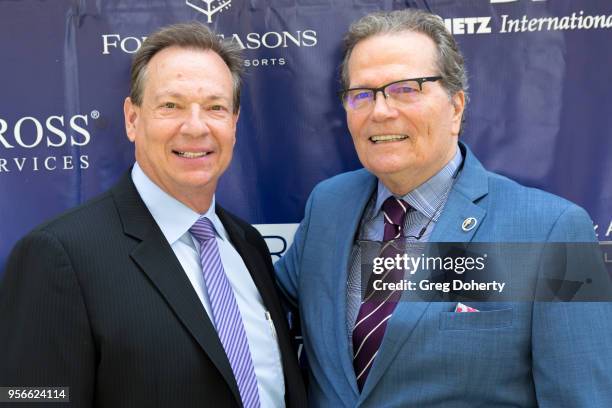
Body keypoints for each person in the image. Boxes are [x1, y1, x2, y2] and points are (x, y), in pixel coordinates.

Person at [275, 9, 612, 407]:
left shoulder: (553, 229)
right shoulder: (328, 206)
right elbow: (257, 312)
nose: (380, 111)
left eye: (406, 89)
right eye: (362, 94)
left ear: (456, 106)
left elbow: (581, 398)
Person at [0, 22, 305, 408]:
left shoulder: (247, 244)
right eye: (170, 106)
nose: (195, 127)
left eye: (215, 107)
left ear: (234, 123)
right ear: (132, 118)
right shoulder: (57, 256)